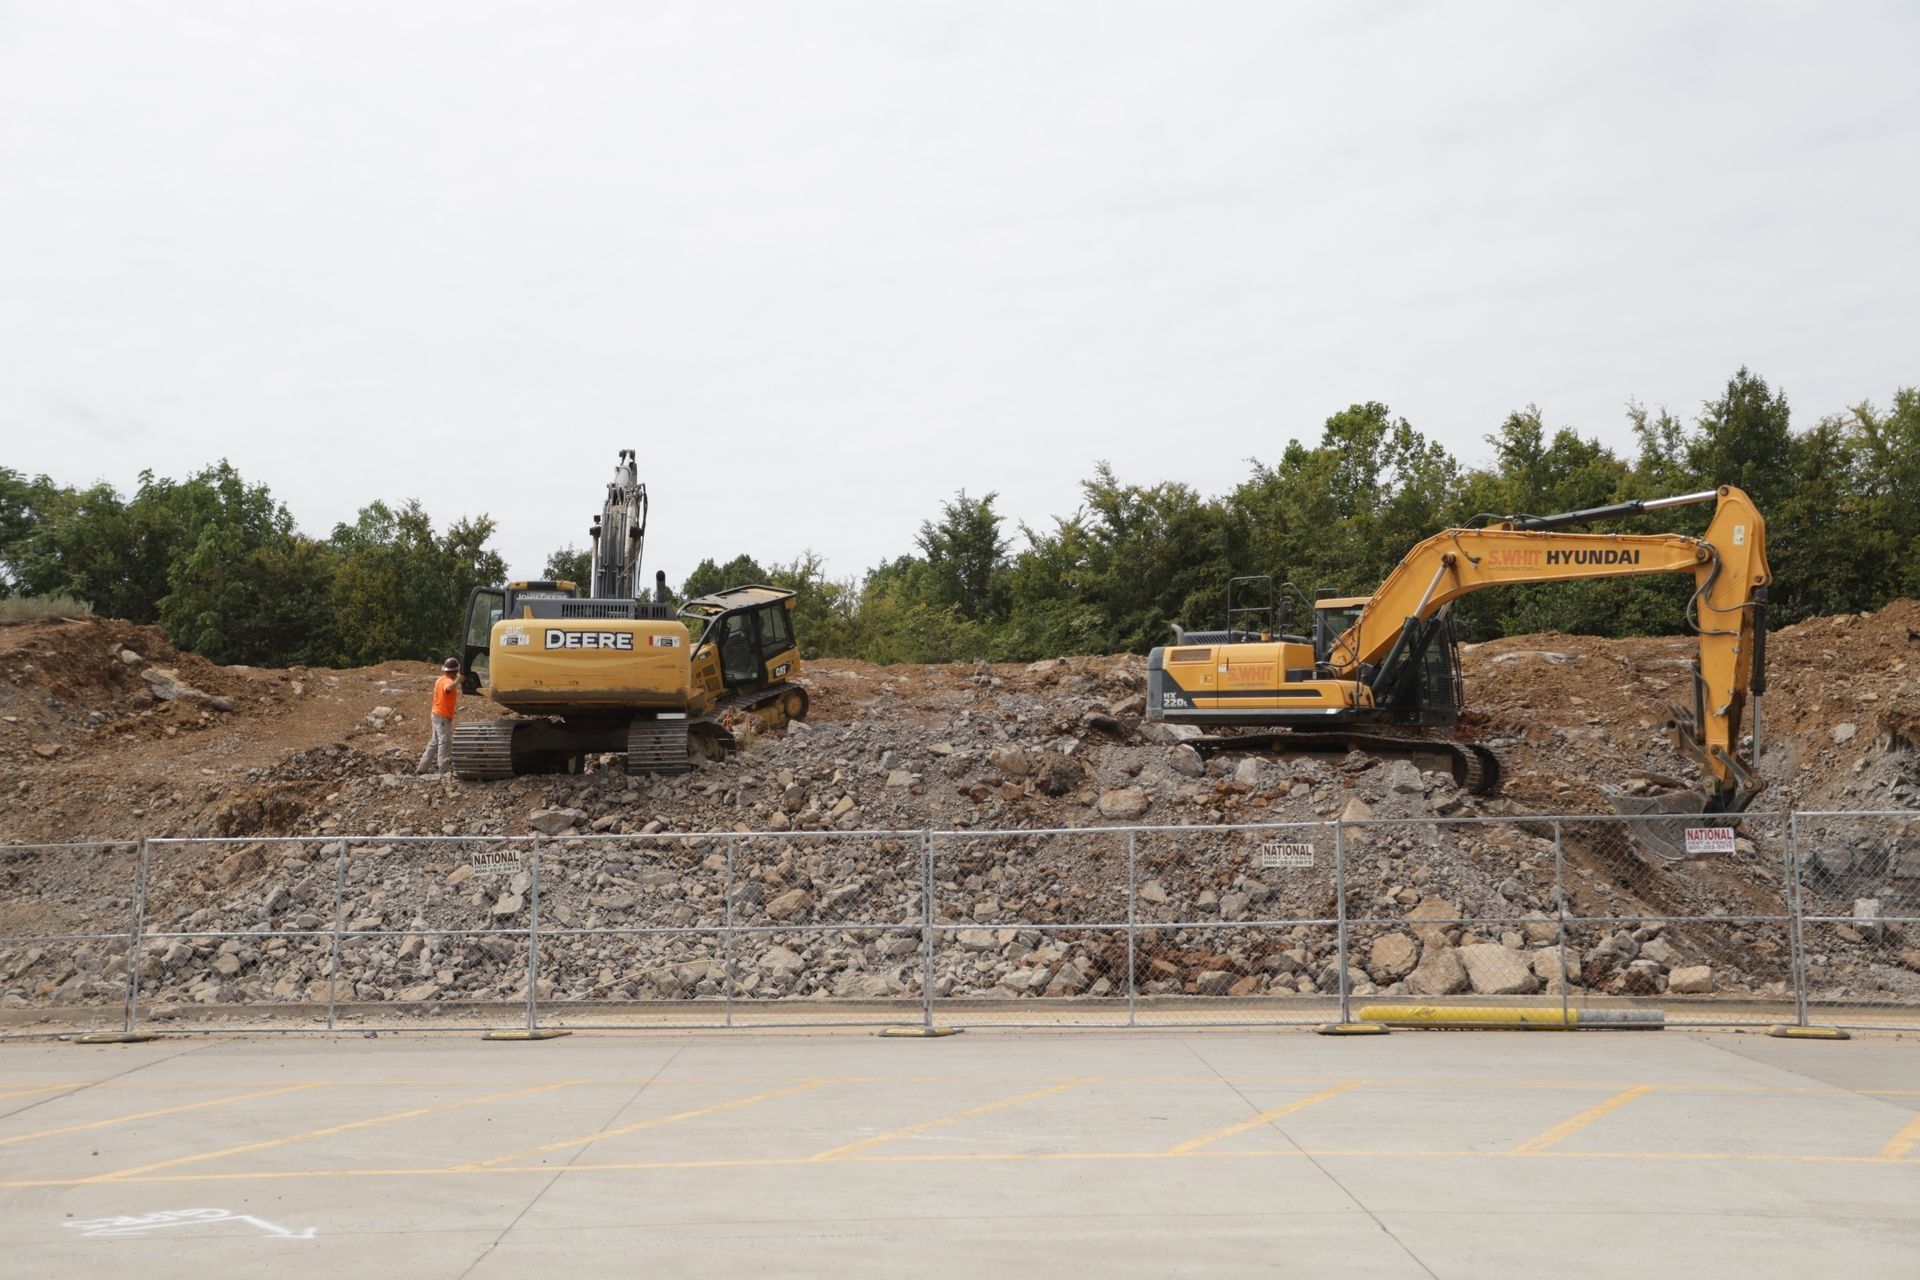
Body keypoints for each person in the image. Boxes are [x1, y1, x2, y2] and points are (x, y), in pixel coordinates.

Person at [416, 657, 460, 774]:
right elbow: (448, 689)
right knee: (444, 742)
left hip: (436, 714)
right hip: (442, 716)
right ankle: (443, 771)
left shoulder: (440, 679)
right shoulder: (448, 681)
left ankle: (422, 768)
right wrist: (458, 681)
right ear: (454, 671)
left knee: (434, 742)